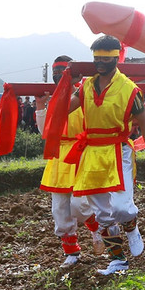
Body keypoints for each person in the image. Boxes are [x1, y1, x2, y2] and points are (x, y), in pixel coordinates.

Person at [61, 35, 145, 275]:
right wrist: (56, 93)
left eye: (106, 58)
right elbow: (65, 108)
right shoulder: (86, 86)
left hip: (119, 150)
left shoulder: (128, 89)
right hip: (92, 152)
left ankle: (132, 228)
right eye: (97, 58)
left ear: (116, 58)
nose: (101, 63)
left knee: (121, 207)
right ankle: (118, 260)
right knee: (103, 214)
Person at [36, 56, 104, 266]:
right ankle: (72, 253)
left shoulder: (85, 91)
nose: (59, 77)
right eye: (56, 74)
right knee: (60, 208)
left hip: (81, 151)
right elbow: (44, 131)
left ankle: (97, 228)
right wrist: (40, 106)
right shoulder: (52, 97)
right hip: (59, 155)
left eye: (62, 73)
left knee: (79, 203)